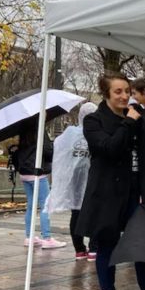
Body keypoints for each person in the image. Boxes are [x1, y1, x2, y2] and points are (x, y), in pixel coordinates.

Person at [76, 73, 145, 290]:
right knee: (107, 245)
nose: (124, 96)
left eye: (127, 91)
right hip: (107, 194)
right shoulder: (94, 121)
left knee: (142, 244)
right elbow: (109, 148)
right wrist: (129, 122)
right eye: (118, 92)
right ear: (106, 94)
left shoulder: (138, 116)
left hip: (135, 192)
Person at [45, 102, 98, 261]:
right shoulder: (96, 133)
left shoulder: (70, 134)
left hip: (74, 179)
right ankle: (94, 248)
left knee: (76, 213)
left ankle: (79, 249)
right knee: (94, 213)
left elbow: (59, 148)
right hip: (92, 178)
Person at [16, 122, 67, 249]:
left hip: (24, 173)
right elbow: (48, 151)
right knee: (45, 205)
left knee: (31, 205)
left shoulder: (24, 129)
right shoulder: (39, 129)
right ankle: (47, 238)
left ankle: (29, 237)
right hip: (37, 173)